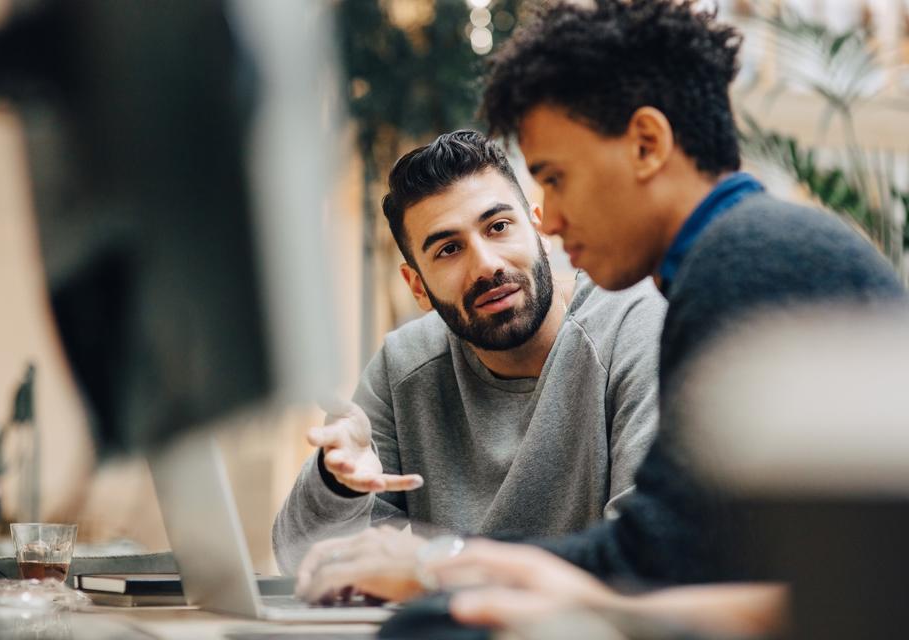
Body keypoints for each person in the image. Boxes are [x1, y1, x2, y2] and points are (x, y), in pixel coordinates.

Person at [294, 0, 906, 634]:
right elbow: (689, 557)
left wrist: (438, 563)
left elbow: (656, 560)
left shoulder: (747, 262)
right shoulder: (741, 251)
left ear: (646, 144)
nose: (550, 221)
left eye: (555, 179)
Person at [272, 130, 666, 573]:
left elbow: (646, 555)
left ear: (537, 229)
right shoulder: (404, 365)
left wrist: (437, 569)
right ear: (417, 285)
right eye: (449, 249)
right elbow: (299, 563)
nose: (486, 265)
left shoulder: (634, 327)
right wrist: (337, 485)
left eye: (498, 227)